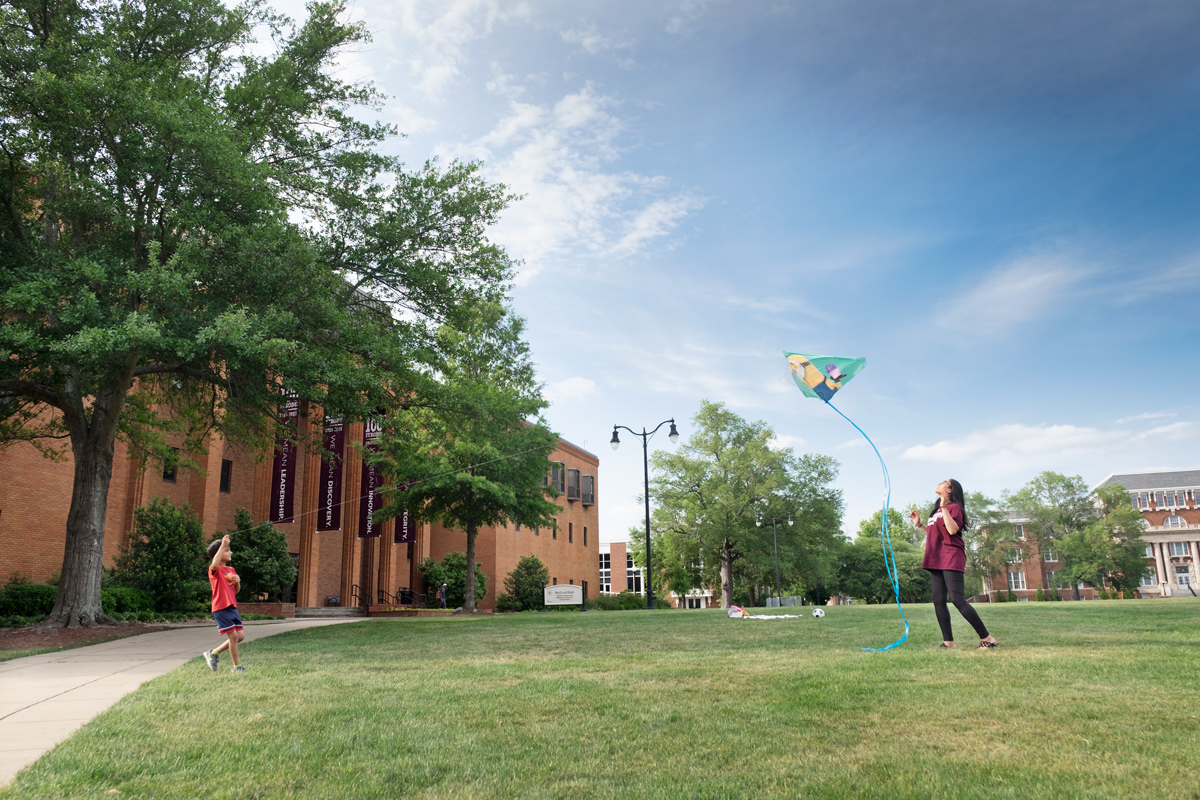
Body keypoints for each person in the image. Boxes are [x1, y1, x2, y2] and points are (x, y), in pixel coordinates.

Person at [910, 479, 998, 650]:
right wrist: (919, 524)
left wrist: (943, 507)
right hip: (935, 557)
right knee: (938, 600)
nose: (938, 483)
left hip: (951, 556)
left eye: (943, 482)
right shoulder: (937, 510)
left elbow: (952, 530)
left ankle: (987, 638)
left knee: (958, 600)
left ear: (950, 490)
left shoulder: (954, 508)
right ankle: (949, 642)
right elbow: (935, 534)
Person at [202, 535, 246, 673]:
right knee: (233, 636)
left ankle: (213, 653)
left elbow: (235, 591)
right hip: (221, 608)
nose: (230, 552)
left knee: (240, 637)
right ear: (219, 553)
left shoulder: (231, 570)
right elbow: (215, 564)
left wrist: (237, 581)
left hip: (232, 606)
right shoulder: (213, 569)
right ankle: (236, 667)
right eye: (227, 550)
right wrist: (222, 545)